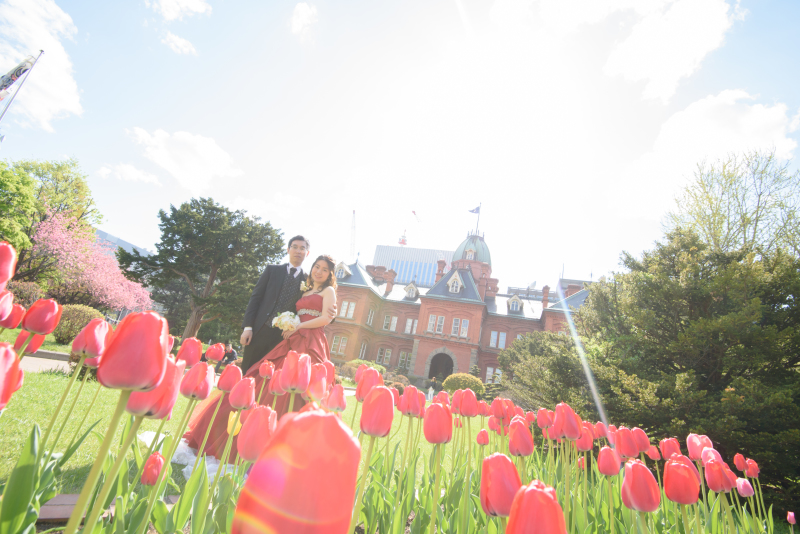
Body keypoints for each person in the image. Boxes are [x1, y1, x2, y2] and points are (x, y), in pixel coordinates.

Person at [184, 254, 338, 462]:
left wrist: (298, 326)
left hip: (311, 342)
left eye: (324, 269)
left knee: (301, 387)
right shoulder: (306, 289)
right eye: (317, 267)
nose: (319, 271)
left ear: (330, 274)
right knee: (264, 379)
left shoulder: (328, 291)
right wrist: (290, 324)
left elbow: (327, 318)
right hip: (291, 338)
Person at [238, 235, 336, 373]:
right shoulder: (272, 270)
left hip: (284, 337)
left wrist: (333, 314)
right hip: (259, 331)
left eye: (302, 248)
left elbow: (316, 306)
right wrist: (248, 327)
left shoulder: (308, 280)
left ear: (307, 253)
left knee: (272, 376)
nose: (298, 251)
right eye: (294, 247)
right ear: (288, 249)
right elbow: (255, 298)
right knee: (248, 371)